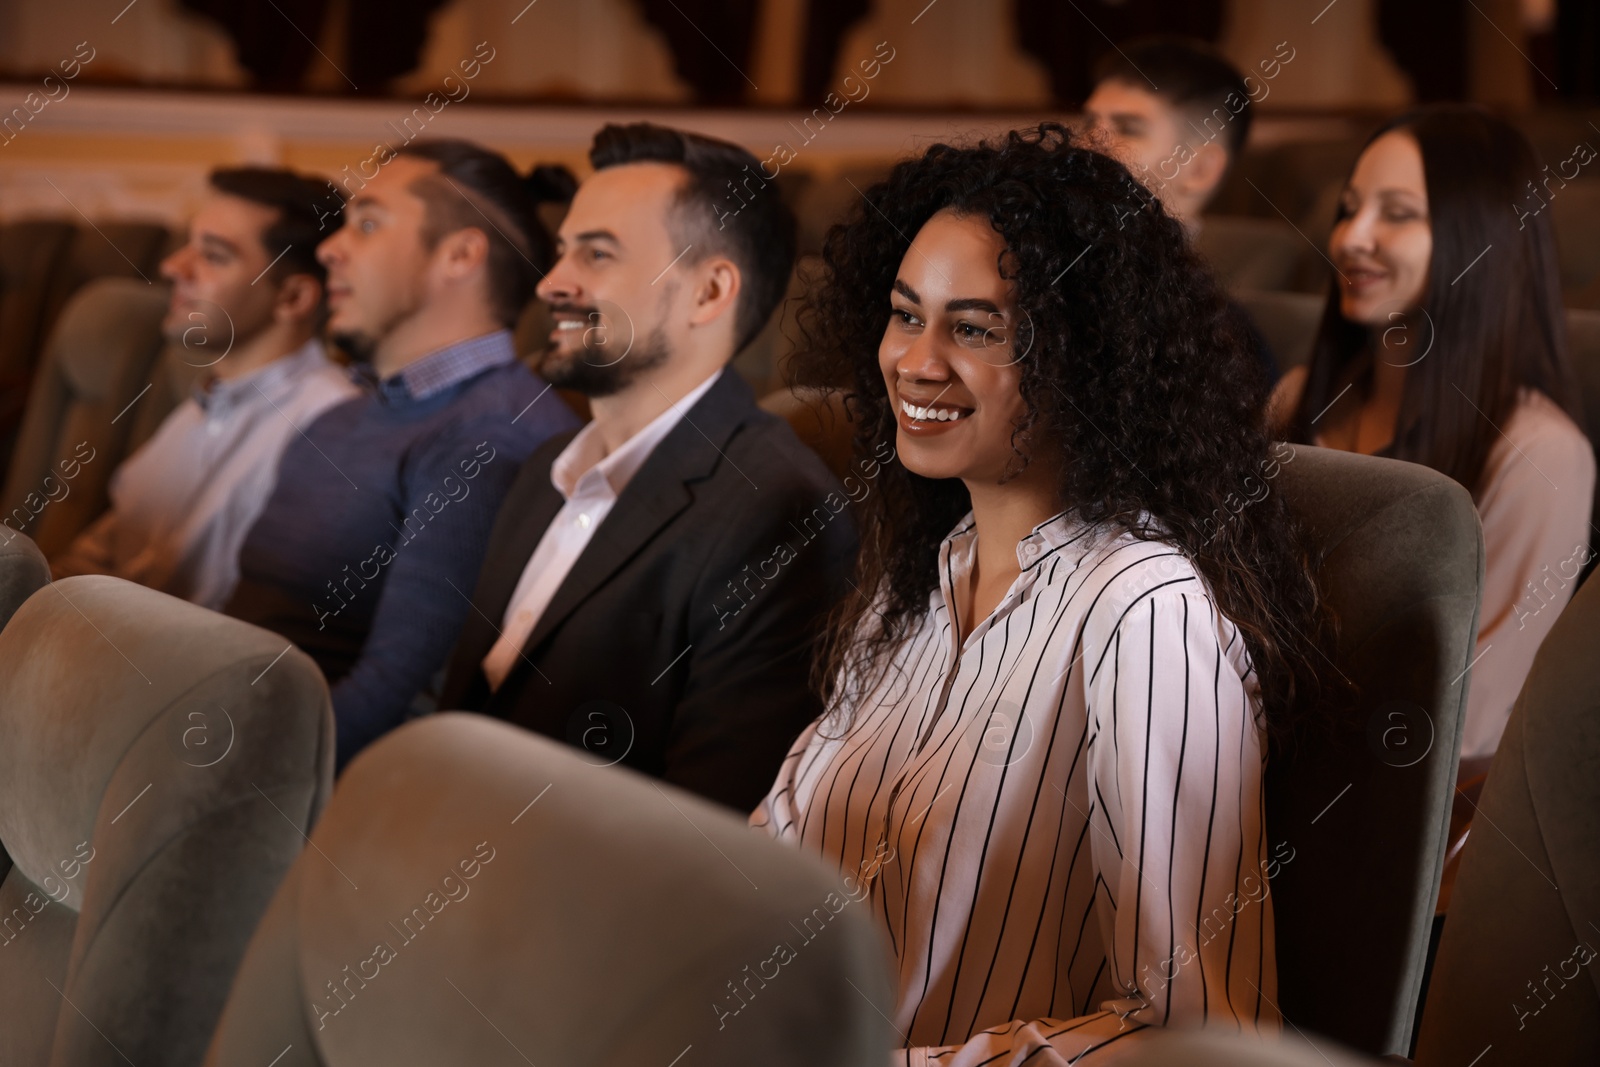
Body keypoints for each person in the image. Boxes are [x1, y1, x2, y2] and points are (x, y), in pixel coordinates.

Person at [752, 123, 1333, 1064]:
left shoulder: (1142, 610)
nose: (915, 360)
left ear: (1087, 359)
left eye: (974, 328)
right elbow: (775, 852)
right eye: (906, 314)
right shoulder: (925, 575)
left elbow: (1188, 1028)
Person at [440, 122, 856, 813]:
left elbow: (705, 833)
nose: (552, 284)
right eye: (561, 251)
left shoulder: (781, 514)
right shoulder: (546, 465)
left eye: (597, 254)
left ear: (709, 292)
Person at [224, 140, 579, 769]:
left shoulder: (490, 433)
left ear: (461, 255)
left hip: (282, 784)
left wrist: (212, 770)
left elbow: (396, 696)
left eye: (366, 224)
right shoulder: (341, 416)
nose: (331, 248)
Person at [1270, 105, 1596, 777]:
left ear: (1478, 238)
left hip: (1390, 801)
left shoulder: (1539, 453)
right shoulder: (1300, 399)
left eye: (1396, 213)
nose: (1351, 237)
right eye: (1350, 207)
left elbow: (1469, 714)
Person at [51, 168, 358, 609]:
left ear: (293, 298)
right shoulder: (203, 405)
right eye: (188, 247)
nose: (173, 267)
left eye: (213, 256)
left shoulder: (325, 426)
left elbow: (222, 622)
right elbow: (94, 556)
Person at [1083, 36, 1280, 383]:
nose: (1088, 145)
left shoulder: (1218, 341)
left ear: (1201, 168)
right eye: (1089, 123)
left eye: (1128, 128)